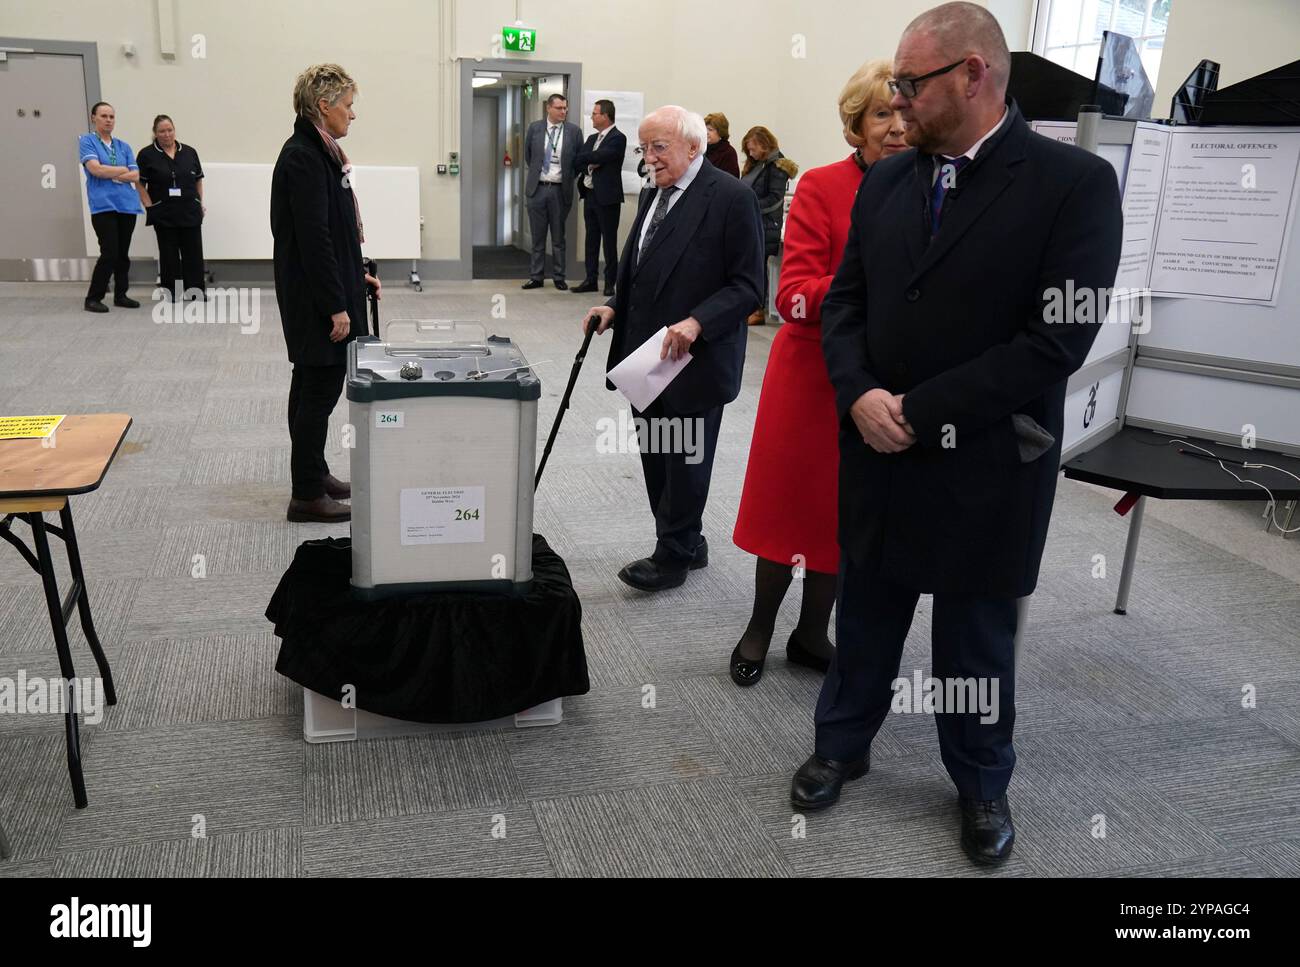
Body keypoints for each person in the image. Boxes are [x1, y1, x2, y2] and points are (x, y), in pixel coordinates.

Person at [791, 2, 1123, 867]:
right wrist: (861, 393)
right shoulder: (891, 181)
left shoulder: (1073, 186)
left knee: (975, 634)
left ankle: (980, 779)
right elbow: (849, 301)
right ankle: (842, 742)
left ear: (973, 76)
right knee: (866, 609)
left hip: (987, 455)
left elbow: (1057, 339)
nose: (897, 103)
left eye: (911, 84)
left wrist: (918, 410)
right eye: (894, 86)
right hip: (878, 444)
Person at [729, 60, 908, 688]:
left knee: (843, 516)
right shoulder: (818, 187)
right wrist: (870, 288)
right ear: (854, 127)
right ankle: (759, 627)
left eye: (902, 113)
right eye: (880, 115)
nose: (894, 127)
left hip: (881, 381)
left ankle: (811, 635)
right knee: (788, 509)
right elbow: (793, 297)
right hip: (809, 377)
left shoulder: (931, 186)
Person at [582, 106, 764, 592]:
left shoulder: (731, 198)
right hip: (646, 355)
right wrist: (614, 305)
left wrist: (698, 321)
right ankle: (688, 540)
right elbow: (641, 268)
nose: (649, 159)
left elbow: (749, 287)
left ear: (692, 146)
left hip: (697, 358)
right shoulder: (652, 193)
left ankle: (672, 556)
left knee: (685, 460)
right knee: (657, 453)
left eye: (659, 147)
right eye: (644, 149)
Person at [270, 63, 381, 524]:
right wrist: (337, 304)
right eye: (348, 105)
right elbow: (315, 240)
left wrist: (357, 278)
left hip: (323, 288)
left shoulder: (321, 152)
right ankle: (306, 494)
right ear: (324, 106)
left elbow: (334, 234)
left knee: (310, 385)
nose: (352, 115)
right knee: (317, 390)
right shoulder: (304, 156)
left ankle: (314, 474)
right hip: (315, 298)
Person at [79, 102, 143, 313]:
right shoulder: (87, 141)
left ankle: (121, 295)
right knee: (110, 252)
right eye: (104, 116)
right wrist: (121, 169)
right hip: (103, 205)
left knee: (122, 253)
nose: (108, 120)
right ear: (93, 118)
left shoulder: (123, 146)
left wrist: (113, 171)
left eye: (111, 116)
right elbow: (95, 169)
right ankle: (93, 297)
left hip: (126, 205)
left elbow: (135, 175)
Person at [135, 115, 206, 301]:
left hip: (189, 210)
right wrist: (149, 206)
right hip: (163, 212)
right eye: (162, 131)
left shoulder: (190, 152)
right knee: (168, 254)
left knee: (193, 252)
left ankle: (195, 291)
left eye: (170, 130)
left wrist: (199, 202)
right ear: (155, 133)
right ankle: (172, 292)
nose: (167, 134)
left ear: (174, 130)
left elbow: (198, 179)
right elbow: (140, 184)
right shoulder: (146, 155)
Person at [522, 94, 583, 290]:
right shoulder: (535, 128)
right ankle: (536, 276)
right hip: (537, 188)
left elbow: (578, 162)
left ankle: (559, 276)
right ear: (548, 108)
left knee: (558, 237)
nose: (563, 111)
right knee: (537, 237)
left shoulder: (574, 132)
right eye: (559, 108)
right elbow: (528, 156)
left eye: (565, 108)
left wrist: (566, 178)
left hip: (559, 190)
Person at [739, 126, 798, 325]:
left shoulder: (777, 167)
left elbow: (774, 199)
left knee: (758, 267)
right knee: (750, 266)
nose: (751, 153)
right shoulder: (757, 165)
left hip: (765, 224)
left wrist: (749, 206)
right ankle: (749, 306)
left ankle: (758, 310)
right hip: (751, 221)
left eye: (753, 149)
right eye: (749, 150)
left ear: (764, 146)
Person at [572, 98, 627, 297]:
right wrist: (590, 163)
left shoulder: (618, 137)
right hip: (590, 195)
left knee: (609, 241)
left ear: (605, 116)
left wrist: (592, 158)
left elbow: (604, 156)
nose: (592, 117)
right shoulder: (591, 139)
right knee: (591, 239)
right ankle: (590, 279)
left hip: (608, 198)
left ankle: (610, 282)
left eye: (595, 113)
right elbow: (578, 161)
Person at [703, 113, 740, 178]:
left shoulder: (729, 153)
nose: (706, 132)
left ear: (720, 132)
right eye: (705, 129)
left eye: (710, 130)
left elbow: (731, 180)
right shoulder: (703, 150)